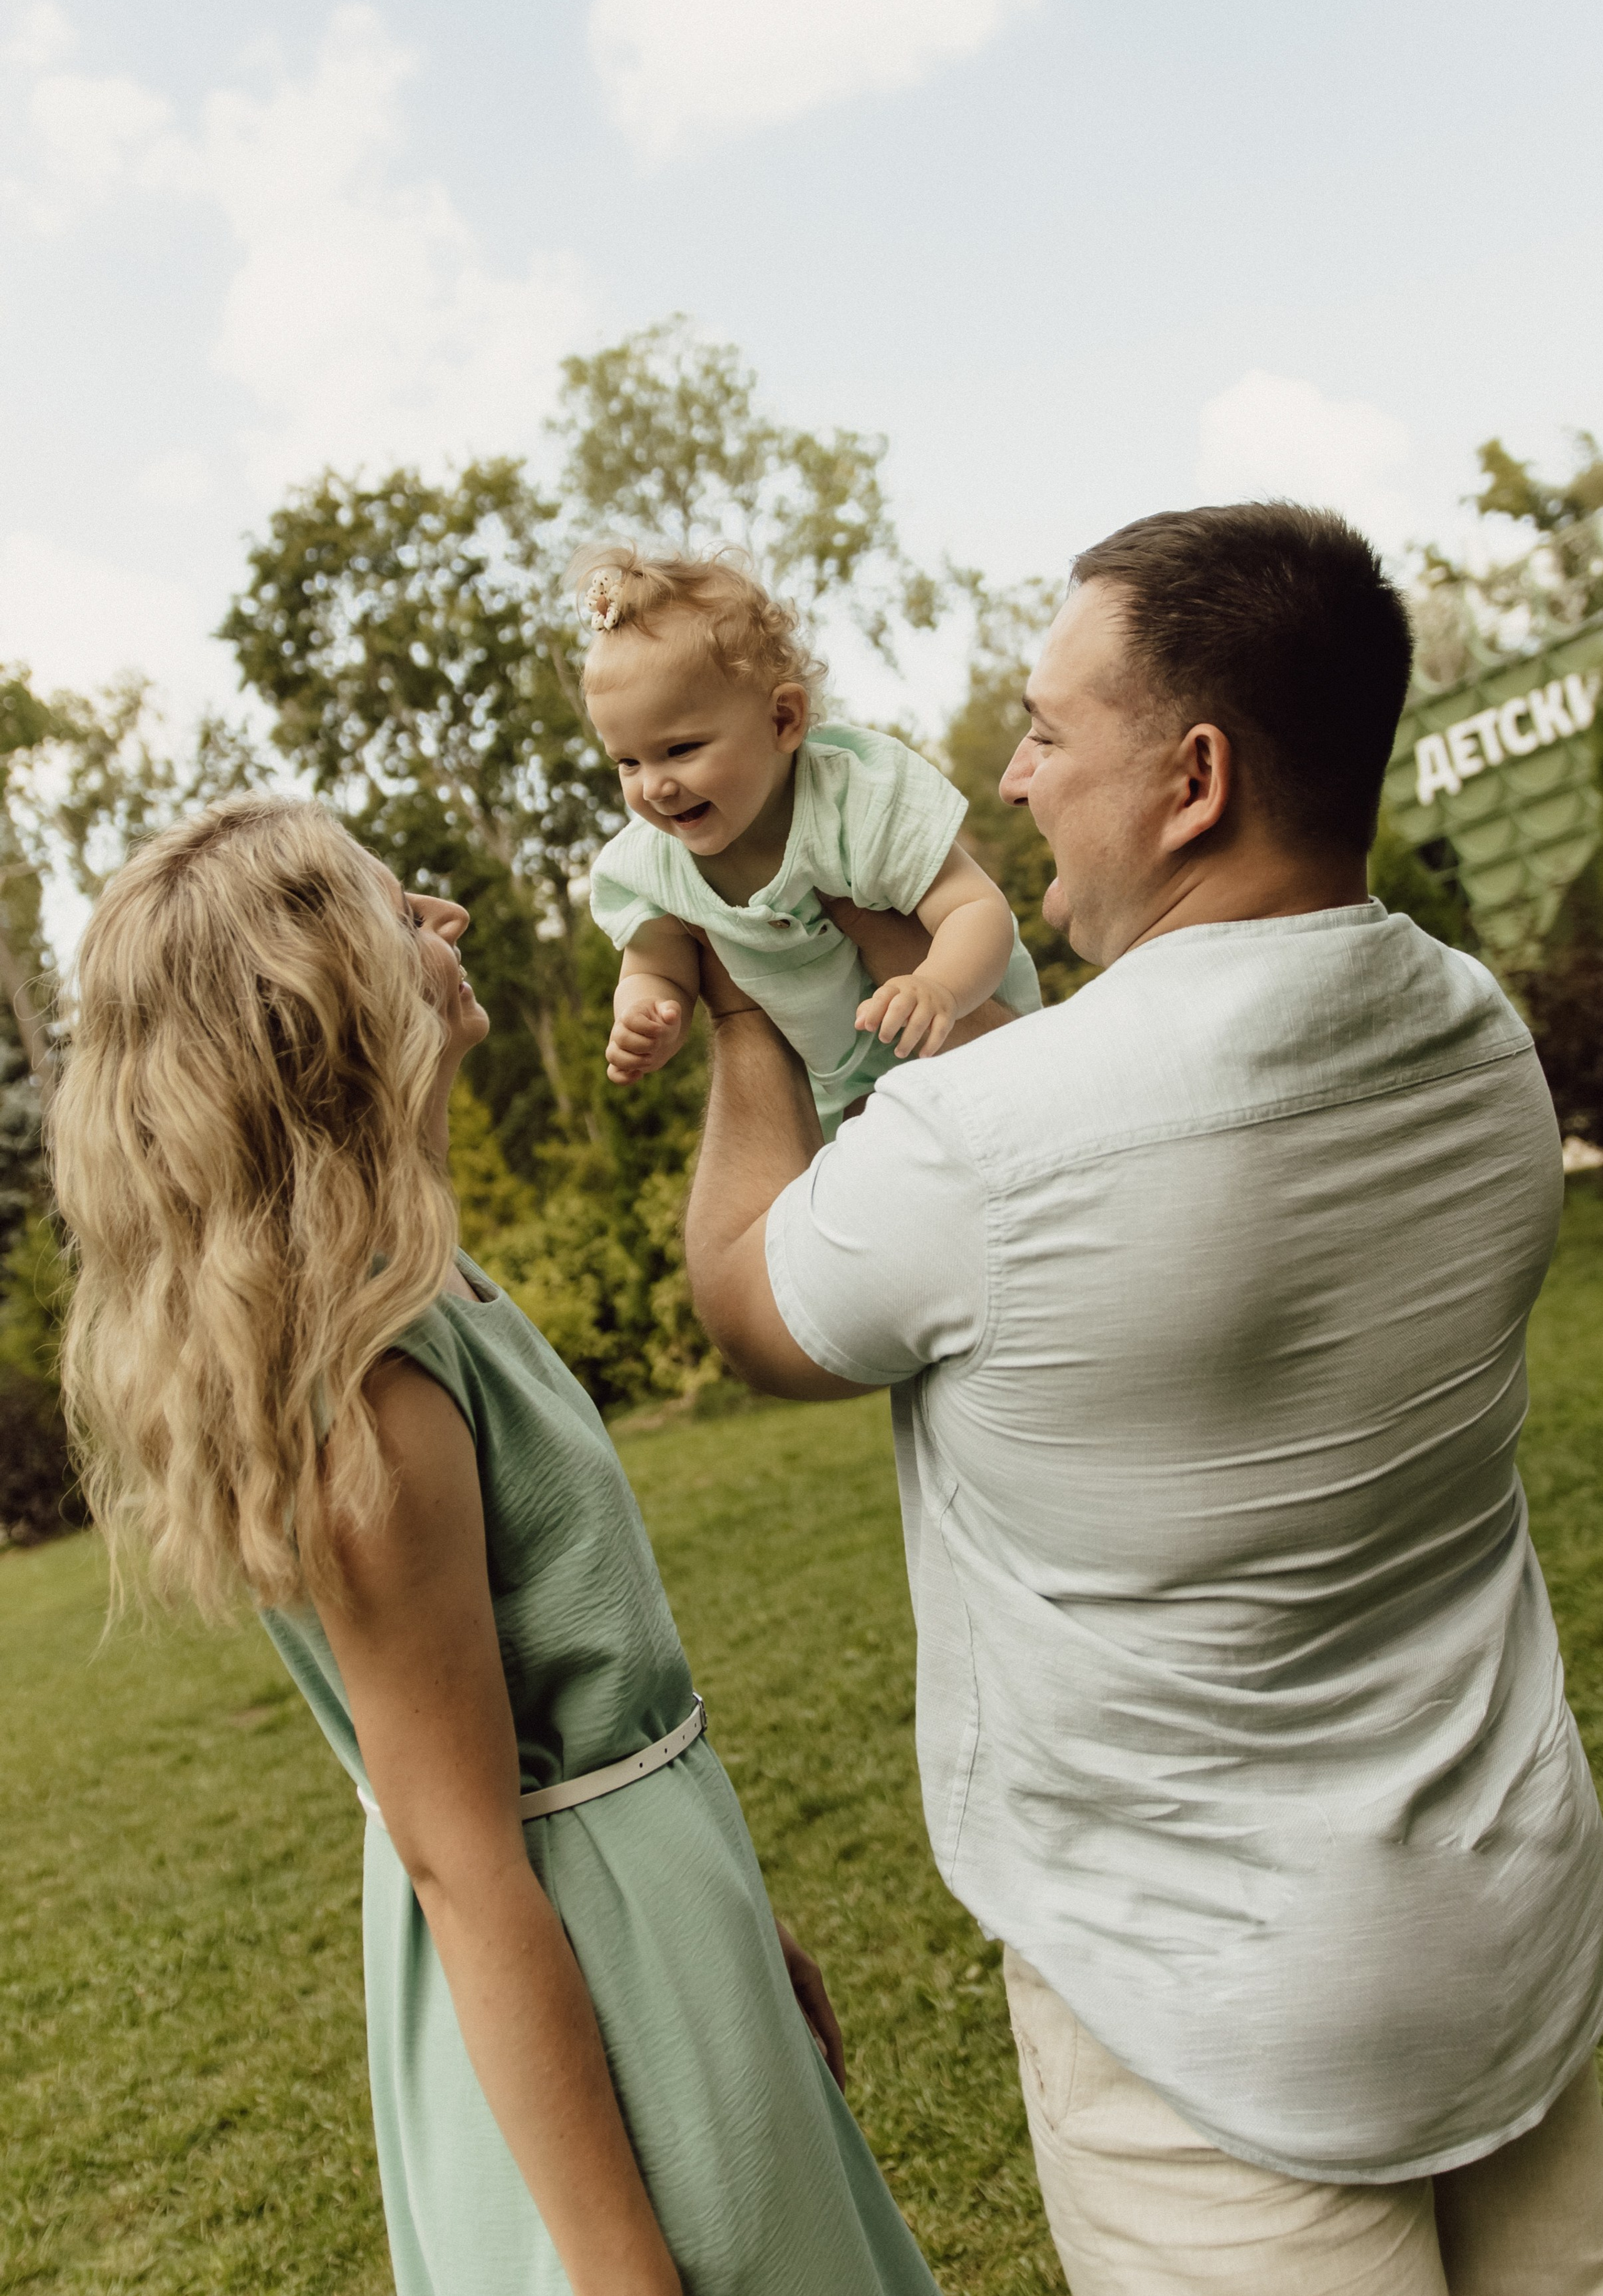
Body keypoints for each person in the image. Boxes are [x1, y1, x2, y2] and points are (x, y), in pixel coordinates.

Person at [682, 502, 1603, 2295]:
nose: (1012, 782)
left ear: (1193, 778)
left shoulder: (990, 1139)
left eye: (1043, 731)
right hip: (1522, 1934)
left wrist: (738, 1003)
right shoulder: (1487, 1042)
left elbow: (749, 1303)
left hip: (1206, 2034)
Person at [51, 797, 942, 2296]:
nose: (446, 920)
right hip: (582, 1987)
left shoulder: (432, 1277)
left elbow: (568, 1717)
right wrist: (618, 2267)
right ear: (325, 1007)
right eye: (401, 914)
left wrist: (729, 1912)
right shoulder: (374, 1403)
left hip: (652, 1926)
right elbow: (462, 1856)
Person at [577, 544, 1040, 1135]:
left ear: (783, 721)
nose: (656, 787)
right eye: (628, 762)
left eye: (681, 750)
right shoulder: (651, 864)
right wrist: (645, 1012)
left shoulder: (855, 800)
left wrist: (938, 984)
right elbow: (656, 968)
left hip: (971, 1031)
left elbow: (976, 909)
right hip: (840, 1099)